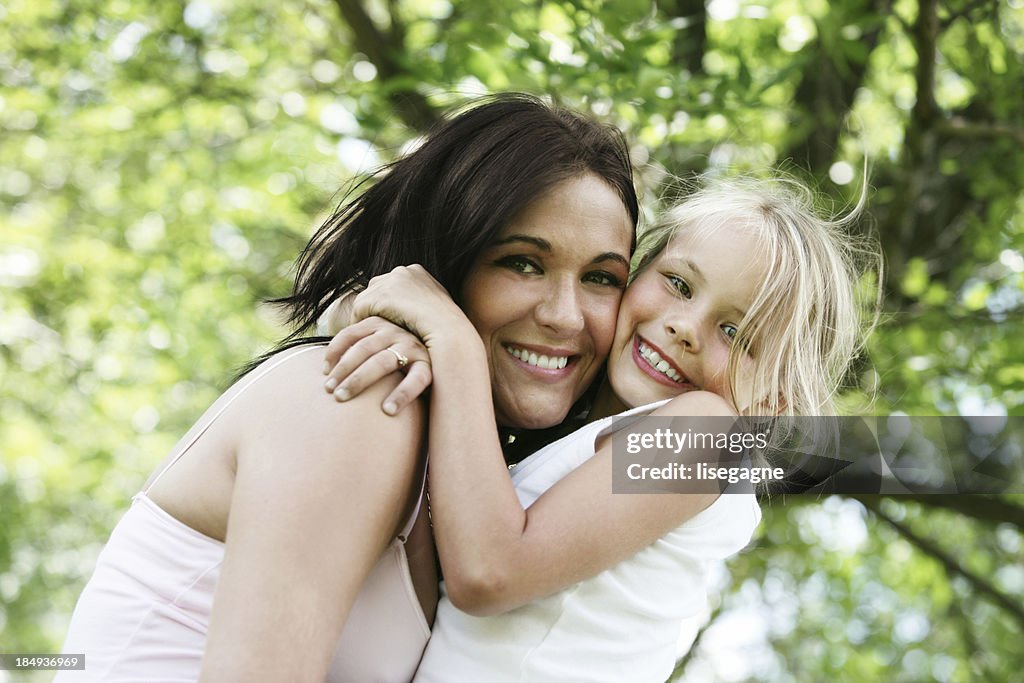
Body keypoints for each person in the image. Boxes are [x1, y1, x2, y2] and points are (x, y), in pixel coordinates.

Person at [56, 93, 640, 682]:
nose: (566, 317)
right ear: (448, 256)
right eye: (521, 263)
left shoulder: (708, 443)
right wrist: (451, 344)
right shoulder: (359, 404)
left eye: (600, 278)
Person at [326, 175, 880, 681]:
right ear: (634, 274)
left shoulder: (707, 431)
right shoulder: (575, 440)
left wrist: (453, 341)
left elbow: (489, 572)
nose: (684, 327)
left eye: (736, 333)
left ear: (770, 404)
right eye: (679, 285)